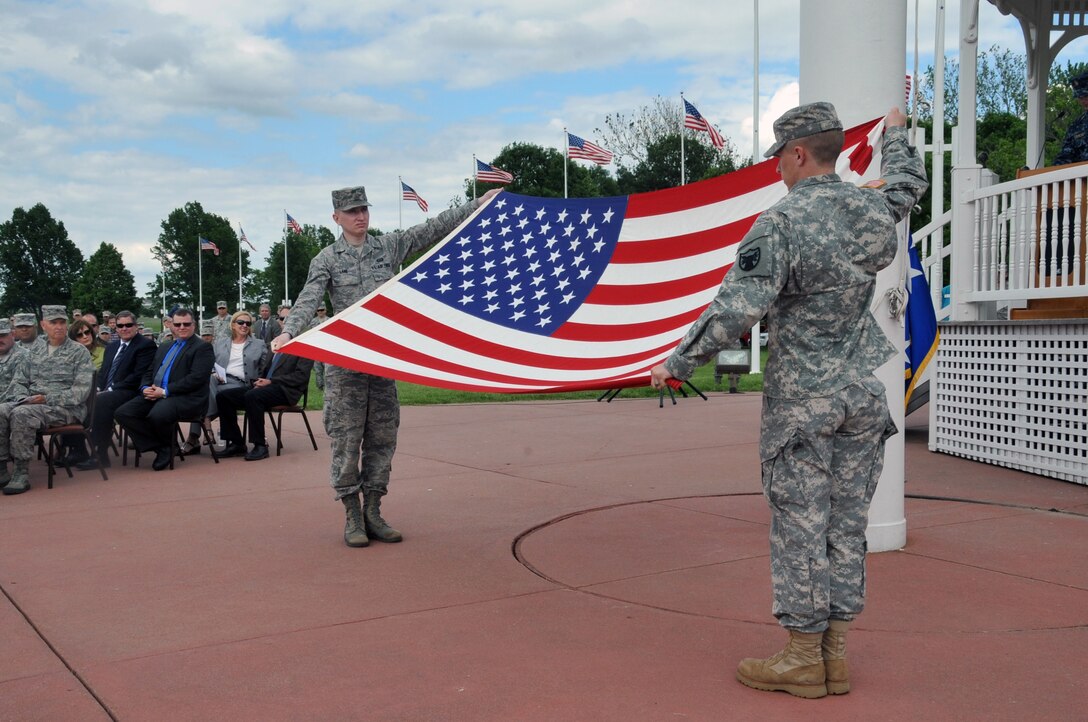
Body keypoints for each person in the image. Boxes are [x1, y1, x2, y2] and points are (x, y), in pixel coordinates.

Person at [651, 104, 928, 699]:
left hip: (804, 402)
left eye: (779, 157)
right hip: (861, 395)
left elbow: (737, 310)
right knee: (846, 527)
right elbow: (907, 186)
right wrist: (898, 137)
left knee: (802, 526)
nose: (776, 168)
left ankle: (803, 657)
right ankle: (835, 655)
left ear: (799, 153)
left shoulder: (780, 224)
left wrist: (675, 363)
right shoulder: (872, 208)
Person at [272, 184, 500, 547]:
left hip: (381, 362)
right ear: (337, 218)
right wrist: (288, 331)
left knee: (381, 438)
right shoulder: (327, 259)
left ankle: (374, 511)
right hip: (345, 366)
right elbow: (308, 298)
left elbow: (431, 229)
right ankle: (351, 514)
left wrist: (478, 204)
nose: (360, 216)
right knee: (347, 440)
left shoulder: (388, 247)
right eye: (352, 212)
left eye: (363, 209)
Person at [0, 306, 95, 495]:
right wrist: (21, 398)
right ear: (44, 325)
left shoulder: (78, 352)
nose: (58, 327)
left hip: (66, 408)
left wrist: (46, 398)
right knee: (2, 409)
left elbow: (80, 393)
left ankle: (21, 472)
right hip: (33, 403)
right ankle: (2, 468)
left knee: (22, 414)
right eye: (53, 323)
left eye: (62, 322)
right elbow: (19, 381)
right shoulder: (34, 351)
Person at [114, 308, 215, 471]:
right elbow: (149, 371)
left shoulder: (202, 348)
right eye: (178, 324)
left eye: (186, 324)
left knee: (157, 414)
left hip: (188, 398)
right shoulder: (164, 346)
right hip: (157, 393)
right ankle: (162, 447)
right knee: (123, 413)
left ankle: (165, 448)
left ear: (194, 325)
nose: (182, 327)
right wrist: (145, 387)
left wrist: (165, 391)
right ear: (172, 326)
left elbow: (196, 379)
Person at [75, 310, 157, 471]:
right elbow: (103, 373)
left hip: (132, 391)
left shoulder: (145, 345)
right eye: (120, 325)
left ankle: (100, 453)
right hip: (109, 392)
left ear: (136, 326)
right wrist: (97, 388)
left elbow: (137, 376)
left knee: (102, 401)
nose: (124, 328)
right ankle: (76, 450)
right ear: (116, 328)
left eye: (128, 325)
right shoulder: (112, 347)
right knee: (79, 399)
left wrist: (109, 389)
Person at [181, 310, 266, 454]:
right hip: (218, 380)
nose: (244, 325)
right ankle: (204, 427)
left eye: (248, 323)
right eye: (240, 322)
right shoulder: (220, 344)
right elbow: (209, 364)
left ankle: (197, 433)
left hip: (241, 385)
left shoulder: (259, 344)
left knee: (199, 395)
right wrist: (214, 373)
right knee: (206, 382)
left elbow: (263, 369)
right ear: (233, 325)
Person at [215, 350, 314, 461]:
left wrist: (271, 381)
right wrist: (258, 382)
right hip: (265, 387)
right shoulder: (275, 348)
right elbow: (266, 372)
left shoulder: (303, 349)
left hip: (286, 390)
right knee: (224, 397)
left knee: (253, 396)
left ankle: (260, 445)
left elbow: (301, 377)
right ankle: (237, 444)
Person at [1054, 70, 1088, 166]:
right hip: (1081, 179)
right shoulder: (1076, 125)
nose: (1083, 101)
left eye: (1086, 96)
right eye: (1080, 97)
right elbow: (1066, 155)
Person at [0, 320, 31, 406]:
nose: (0, 340)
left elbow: (15, 390)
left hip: (12, 406)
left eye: (2, 336)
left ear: (13, 334)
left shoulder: (23, 356)